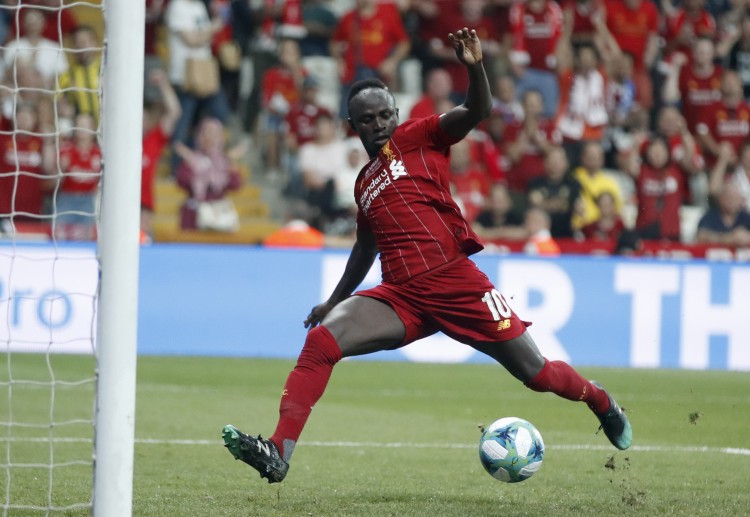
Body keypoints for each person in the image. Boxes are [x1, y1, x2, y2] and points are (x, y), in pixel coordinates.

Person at [221, 28, 632, 485]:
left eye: (384, 115)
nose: (378, 124)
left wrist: (475, 66)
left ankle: (600, 400)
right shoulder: (364, 183)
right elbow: (365, 247)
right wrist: (333, 302)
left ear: (396, 114)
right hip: (401, 296)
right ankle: (278, 450)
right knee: (321, 342)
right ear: (353, 126)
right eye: (367, 119)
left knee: (537, 374)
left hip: (456, 282)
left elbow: (477, 110)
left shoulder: (419, 136)